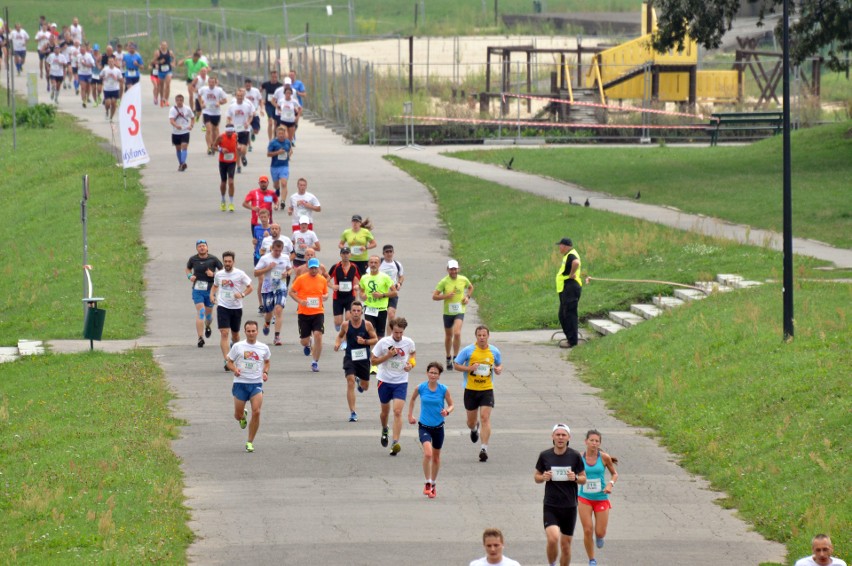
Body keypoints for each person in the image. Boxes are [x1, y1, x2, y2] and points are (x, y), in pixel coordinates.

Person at [534, 424, 587, 566]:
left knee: (566, 546)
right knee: (553, 538)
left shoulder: (575, 456)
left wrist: (574, 478)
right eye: (558, 435)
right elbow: (536, 477)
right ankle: (551, 563)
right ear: (552, 436)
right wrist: (544, 476)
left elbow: (583, 479)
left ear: (569, 437)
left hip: (569, 506)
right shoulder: (545, 455)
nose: (560, 438)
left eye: (563, 435)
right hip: (551, 505)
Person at [454, 325, 502, 463]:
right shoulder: (469, 350)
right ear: (476, 336)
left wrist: (498, 369)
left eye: (484, 335)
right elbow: (456, 364)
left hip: (487, 389)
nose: (482, 338)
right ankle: (474, 429)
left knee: (485, 417)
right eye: (479, 335)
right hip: (471, 389)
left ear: (488, 336)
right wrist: (469, 368)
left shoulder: (494, 351)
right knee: (471, 422)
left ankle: (484, 449)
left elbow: (499, 364)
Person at [407, 361, 454, 499]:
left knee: (436, 457)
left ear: (439, 376)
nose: (432, 375)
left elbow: (451, 405)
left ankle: (433, 484)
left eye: (435, 373)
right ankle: (427, 482)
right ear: (427, 373)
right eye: (431, 372)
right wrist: (410, 415)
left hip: (439, 427)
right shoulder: (421, 388)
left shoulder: (443, 389)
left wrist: (447, 411)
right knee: (428, 454)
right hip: (424, 426)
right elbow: (412, 399)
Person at [371, 317, 416, 456]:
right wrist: (387, 356)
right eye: (396, 332)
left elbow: (413, 354)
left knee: (397, 412)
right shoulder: (383, 343)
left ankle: (395, 442)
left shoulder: (408, 342)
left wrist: (411, 364)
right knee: (385, 412)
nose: (398, 335)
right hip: (384, 381)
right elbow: (373, 361)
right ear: (391, 329)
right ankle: (385, 428)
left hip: (401, 381)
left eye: (401, 332)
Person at [225, 320, 270, 453]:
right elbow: (229, 362)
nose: (251, 333)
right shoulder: (238, 346)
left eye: (253, 331)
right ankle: (242, 416)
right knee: (237, 416)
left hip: (256, 383)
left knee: (256, 411)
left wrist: (265, 372)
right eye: (249, 331)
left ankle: (250, 441)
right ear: (245, 332)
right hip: (240, 383)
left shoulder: (263, 348)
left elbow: (267, 362)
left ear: (257, 331)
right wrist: (235, 370)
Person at [578, 430, 619, 566]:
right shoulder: (579, 457)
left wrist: (610, 485)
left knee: (600, 532)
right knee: (588, 529)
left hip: (601, 497)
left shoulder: (604, 457)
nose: (594, 443)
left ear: (599, 443)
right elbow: (571, 471)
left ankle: (600, 537)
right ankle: (592, 559)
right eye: (592, 440)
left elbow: (614, 474)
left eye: (597, 441)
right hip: (584, 497)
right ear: (586, 442)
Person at [334, 301, 378, 422]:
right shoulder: (345, 324)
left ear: (362, 312)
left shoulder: (367, 325)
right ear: (350, 312)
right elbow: (340, 335)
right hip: (350, 358)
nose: (356, 313)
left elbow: (375, 339)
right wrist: (338, 343)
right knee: (350, 381)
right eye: (354, 311)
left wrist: (365, 342)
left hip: (363, 359)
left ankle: (360, 382)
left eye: (358, 311)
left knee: (365, 387)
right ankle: (353, 412)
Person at [210, 251, 253, 371]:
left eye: (229, 261)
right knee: (224, 333)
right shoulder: (219, 274)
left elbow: (250, 287)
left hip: (236, 307)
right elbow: (215, 286)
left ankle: (233, 349)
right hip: (223, 307)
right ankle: (227, 360)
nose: (227, 263)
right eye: (225, 261)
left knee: (235, 335)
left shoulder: (240, 274)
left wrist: (242, 294)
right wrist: (212, 295)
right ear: (223, 262)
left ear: (233, 262)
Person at [288, 257, 329, 372]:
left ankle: (315, 362)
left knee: (318, 335)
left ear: (318, 268)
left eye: (316, 268)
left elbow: (326, 294)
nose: (314, 270)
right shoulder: (301, 279)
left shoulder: (322, 280)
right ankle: (307, 343)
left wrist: (325, 297)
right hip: (304, 313)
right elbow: (291, 292)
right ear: (308, 268)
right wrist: (300, 301)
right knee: (304, 340)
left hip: (318, 312)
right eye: (312, 268)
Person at [433, 259, 474, 370]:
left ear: (458, 269)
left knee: (457, 333)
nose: (453, 271)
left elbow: (470, 287)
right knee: (448, 336)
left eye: (455, 269)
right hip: (448, 312)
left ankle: (456, 358)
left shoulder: (463, 279)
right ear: (448, 270)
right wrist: (445, 296)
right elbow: (434, 296)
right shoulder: (444, 282)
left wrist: (467, 297)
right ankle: (448, 357)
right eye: (451, 269)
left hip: (459, 311)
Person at [254, 239, 293, 346]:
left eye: (280, 251)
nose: (278, 253)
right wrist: (268, 268)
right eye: (276, 250)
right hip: (267, 288)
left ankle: (277, 336)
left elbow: (290, 269)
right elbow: (256, 273)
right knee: (269, 312)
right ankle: (267, 323)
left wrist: (287, 273)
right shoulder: (265, 258)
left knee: (278, 309)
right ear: (272, 248)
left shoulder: (285, 257)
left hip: (281, 287)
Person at [185, 239, 223, 347]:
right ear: (197, 248)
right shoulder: (193, 259)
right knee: (201, 312)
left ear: (207, 247)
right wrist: (190, 276)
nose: (202, 248)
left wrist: (214, 274)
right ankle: (200, 338)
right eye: (199, 246)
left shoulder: (213, 259)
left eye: (203, 246)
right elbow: (187, 269)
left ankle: (208, 326)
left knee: (209, 316)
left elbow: (223, 271)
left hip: (210, 290)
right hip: (197, 289)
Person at [359, 255, 397, 340]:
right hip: (369, 308)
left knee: (380, 334)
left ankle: (380, 350)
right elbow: (361, 291)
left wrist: (382, 295)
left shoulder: (385, 277)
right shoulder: (364, 277)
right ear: (368, 264)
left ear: (379, 264)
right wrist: (362, 296)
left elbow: (395, 292)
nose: (373, 264)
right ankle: (372, 352)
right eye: (371, 262)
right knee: (370, 332)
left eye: (375, 262)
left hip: (381, 309)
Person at [555, 237, 582, 348]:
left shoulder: (571, 255)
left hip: (570, 287)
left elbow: (576, 262)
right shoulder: (568, 255)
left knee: (569, 315)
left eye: (560, 245)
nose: (559, 248)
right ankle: (570, 338)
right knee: (563, 315)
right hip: (566, 288)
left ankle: (572, 341)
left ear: (565, 246)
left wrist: (571, 274)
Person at [328, 247, 360, 332]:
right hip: (338, 297)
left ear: (350, 255)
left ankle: (345, 339)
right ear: (340, 255)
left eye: (347, 253)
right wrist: (332, 286)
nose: (345, 255)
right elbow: (325, 280)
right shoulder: (335, 267)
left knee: (348, 319)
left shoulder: (354, 267)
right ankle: (340, 330)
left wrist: (357, 286)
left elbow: (362, 280)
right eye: (344, 253)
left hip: (350, 297)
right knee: (338, 322)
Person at [227, 88, 255, 174]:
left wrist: (248, 122)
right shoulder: (232, 106)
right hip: (235, 130)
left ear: (243, 97)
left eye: (241, 96)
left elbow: (251, 116)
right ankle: (238, 166)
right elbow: (228, 117)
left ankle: (243, 156)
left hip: (245, 129)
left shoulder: (247, 105)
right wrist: (230, 125)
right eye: (238, 96)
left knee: (243, 149)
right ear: (236, 96)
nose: (239, 97)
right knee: (237, 148)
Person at [198, 74, 228, 155]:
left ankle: (214, 146)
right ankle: (209, 147)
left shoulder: (219, 90)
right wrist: (201, 103)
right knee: (208, 130)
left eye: (213, 82)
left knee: (215, 131)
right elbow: (198, 95)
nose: (211, 84)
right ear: (208, 82)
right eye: (210, 82)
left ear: (215, 83)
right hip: (206, 112)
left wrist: (219, 103)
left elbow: (225, 100)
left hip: (216, 113)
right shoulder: (204, 89)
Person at [379, 244, 405, 334]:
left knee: (391, 314)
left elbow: (401, 276)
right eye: (387, 252)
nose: (389, 254)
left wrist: (399, 283)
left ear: (393, 253)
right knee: (380, 318)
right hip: (380, 293)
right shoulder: (379, 263)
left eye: (390, 252)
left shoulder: (397, 264)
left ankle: (389, 338)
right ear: (383, 253)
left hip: (392, 292)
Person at [214, 124, 239, 211]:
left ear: (233, 131)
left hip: (232, 161)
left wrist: (237, 147)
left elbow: (236, 143)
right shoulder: (221, 137)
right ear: (225, 131)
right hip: (223, 162)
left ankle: (231, 203)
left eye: (231, 132)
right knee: (223, 182)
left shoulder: (235, 136)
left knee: (231, 182)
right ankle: (223, 200)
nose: (229, 134)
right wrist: (221, 150)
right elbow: (213, 146)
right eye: (228, 132)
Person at [169, 94, 194, 171]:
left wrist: (191, 125)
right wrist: (176, 126)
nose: (179, 102)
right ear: (176, 101)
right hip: (176, 132)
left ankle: (183, 163)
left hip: (185, 131)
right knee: (178, 149)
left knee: (184, 146)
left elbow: (192, 118)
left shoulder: (187, 109)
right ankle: (181, 164)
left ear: (183, 101)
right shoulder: (172, 109)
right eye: (178, 100)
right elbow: (171, 120)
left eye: (181, 100)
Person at [267, 125, 293, 199]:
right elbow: (268, 154)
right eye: (279, 134)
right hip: (274, 166)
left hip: (284, 166)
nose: (281, 135)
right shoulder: (273, 143)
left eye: (282, 134)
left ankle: (283, 201)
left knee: (284, 183)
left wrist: (289, 155)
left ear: (285, 134)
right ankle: (277, 189)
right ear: (276, 134)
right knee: (276, 185)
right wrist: (277, 152)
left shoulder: (287, 142)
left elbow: (290, 150)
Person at [261, 69, 283, 140]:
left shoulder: (280, 85)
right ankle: (270, 140)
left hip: (276, 106)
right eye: (273, 77)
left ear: (277, 77)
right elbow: (259, 91)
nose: (274, 78)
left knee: (276, 123)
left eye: (276, 77)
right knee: (270, 122)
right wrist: (262, 100)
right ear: (271, 77)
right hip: (268, 105)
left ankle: (275, 138)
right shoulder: (266, 84)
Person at [100, 55, 124, 120]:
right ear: (108, 62)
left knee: (113, 103)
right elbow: (100, 76)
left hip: (115, 89)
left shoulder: (117, 70)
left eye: (112, 61)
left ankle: (111, 117)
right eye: (109, 61)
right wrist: (106, 77)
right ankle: (107, 111)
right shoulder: (105, 69)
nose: (111, 63)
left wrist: (115, 78)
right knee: (108, 103)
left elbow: (122, 80)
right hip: (107, 89)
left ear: (114, 62)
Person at [152, 41, 175, 107]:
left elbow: (173, 58)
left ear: (167, 46)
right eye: (162, 45)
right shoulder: (158, 52)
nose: (164, 46)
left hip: (168, 70)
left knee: (167, 85)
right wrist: (159, 62)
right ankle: (162, 99)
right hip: (161, 71)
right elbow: (153, 61)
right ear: (160, 46)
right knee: (161, 86)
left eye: (165, 45)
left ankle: (166, 100)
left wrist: (173, 63)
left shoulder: (170, 52)